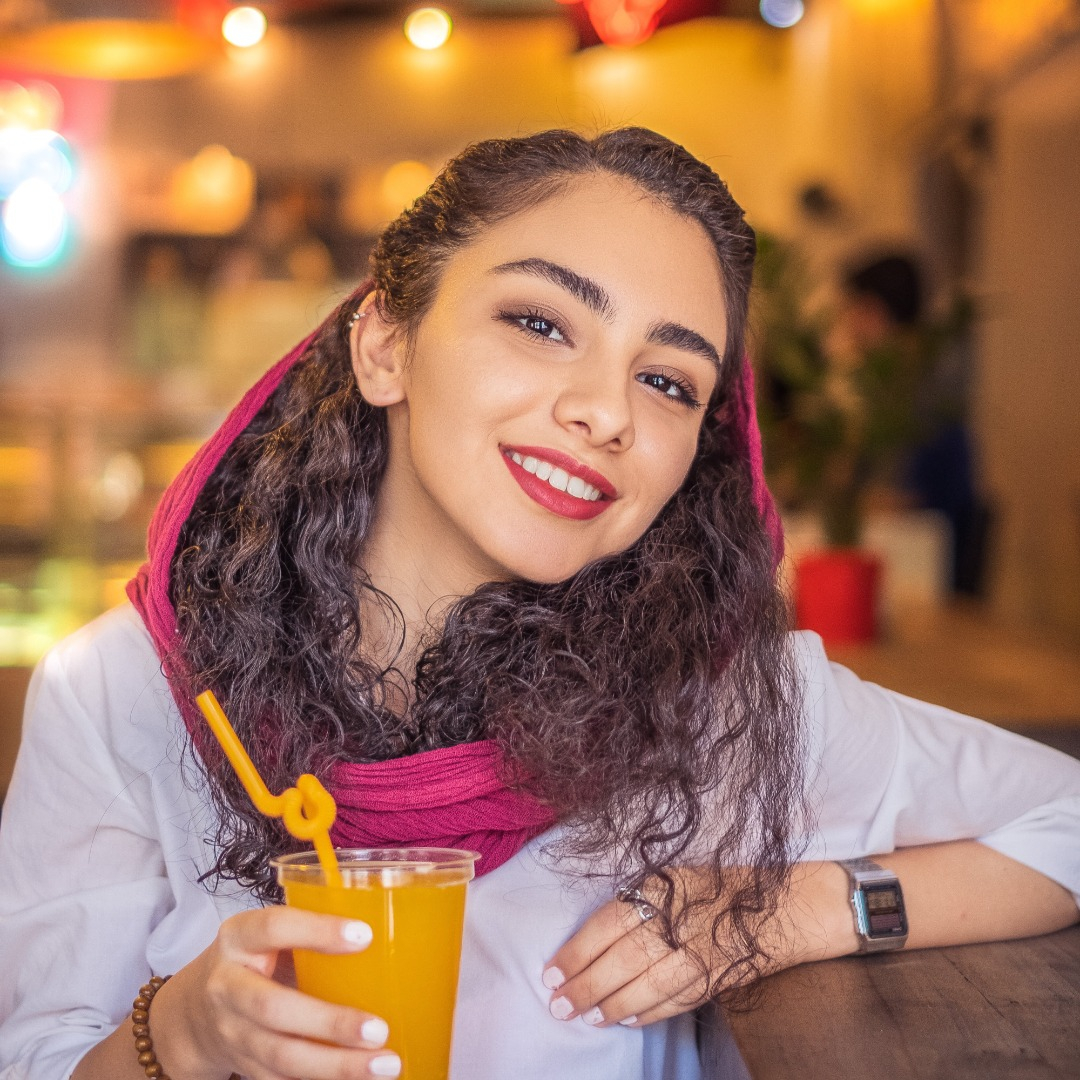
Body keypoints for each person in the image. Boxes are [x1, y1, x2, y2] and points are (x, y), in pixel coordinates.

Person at [1, 128, 1078, 1080]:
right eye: (541, 321)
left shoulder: (718, 712)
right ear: (385, 344)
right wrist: (180, 1037)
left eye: (667, 382)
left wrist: (793, 909)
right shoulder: (125, 694)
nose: (605, 410)